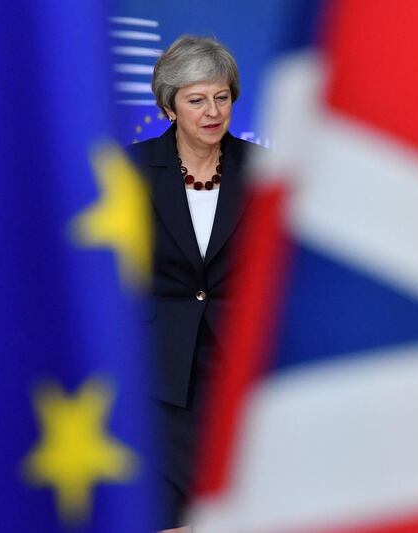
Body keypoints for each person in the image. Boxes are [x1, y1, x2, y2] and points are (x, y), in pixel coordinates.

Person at [125, 35, 264, 531]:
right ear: (169, 107)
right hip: (161, 373)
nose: (213, 111)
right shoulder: (130, 170)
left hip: (240, 373)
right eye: (197, 99)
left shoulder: (264, 171)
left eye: (222, 97)